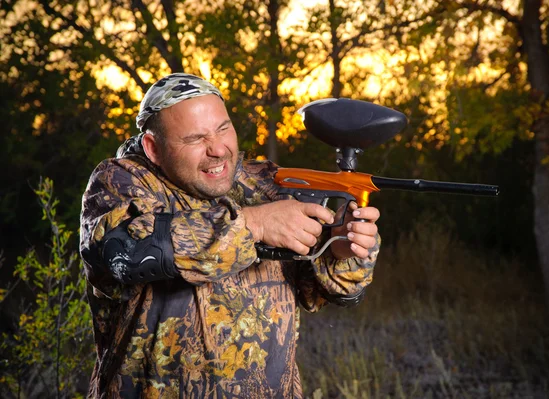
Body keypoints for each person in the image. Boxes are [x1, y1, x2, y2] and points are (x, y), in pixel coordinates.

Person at [79, 73, 381, 398]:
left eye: (223, 128)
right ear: (153, 147)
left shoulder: (264, 182)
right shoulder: (120, 182)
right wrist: (256, 225)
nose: (218, 149)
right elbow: (127, 253)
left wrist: (339, 251)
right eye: (195, 139)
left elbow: (322, 294)